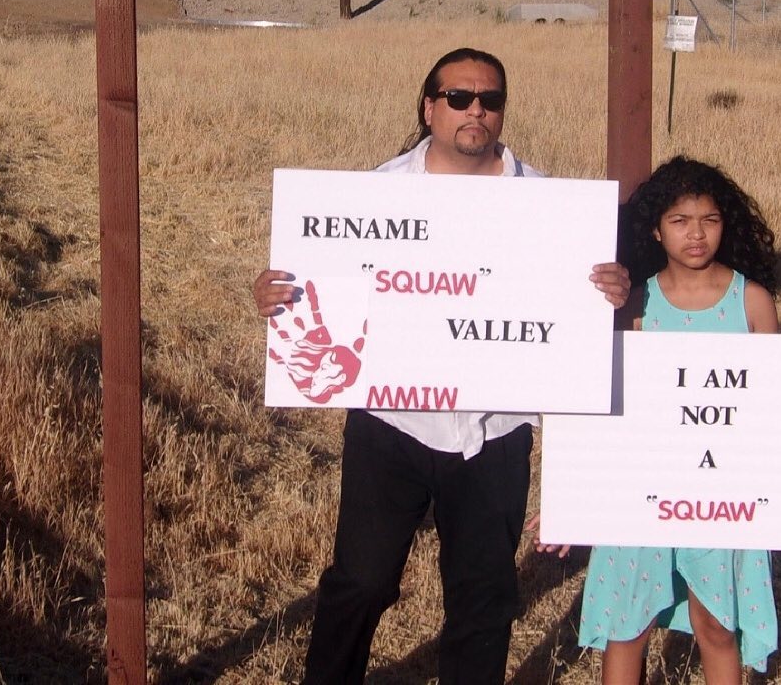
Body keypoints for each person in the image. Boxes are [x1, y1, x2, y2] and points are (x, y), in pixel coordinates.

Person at [253, 47, 629, 685]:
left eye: (490, 100)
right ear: (430, 108)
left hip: (496, 432)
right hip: (391, 424)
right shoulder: (375, 194)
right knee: (361, 584)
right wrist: (278, 295)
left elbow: (574, 319)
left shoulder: (550, 206)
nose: (475, 111)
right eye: (459, 98)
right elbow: (322, 293)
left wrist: (611, 295)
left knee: (483, 602)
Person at [537, 155, 780, 684]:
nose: (696, 235)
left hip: (720, 493)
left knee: (717, 625)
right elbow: (604, 408)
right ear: (655, 229)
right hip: (639, 491)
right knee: (628, 626)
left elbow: (773, 410)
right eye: (680, 221)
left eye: (709, 221)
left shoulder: (753, 303)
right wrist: (570, 501)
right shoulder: (637, 304)